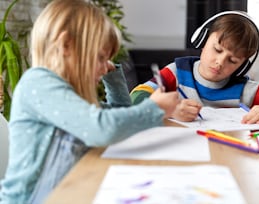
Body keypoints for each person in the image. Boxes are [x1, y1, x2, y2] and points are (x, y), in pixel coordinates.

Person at [0, 0, 179, 203]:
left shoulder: (71, 94)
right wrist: (154, 108)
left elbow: (119, 113)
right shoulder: (39, 84)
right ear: (66, 45)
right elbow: (102, 129)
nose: (104, 67)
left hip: (68, 192)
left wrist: (111, 75)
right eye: (101, 58)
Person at [130, 11, 259, 123]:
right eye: (217, 49)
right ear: (202, 39)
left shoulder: (243, 89)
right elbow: (136, 95)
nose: (220, 62)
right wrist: (169, 109)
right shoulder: (176, 72)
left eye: (233, 60)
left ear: (242, 66)